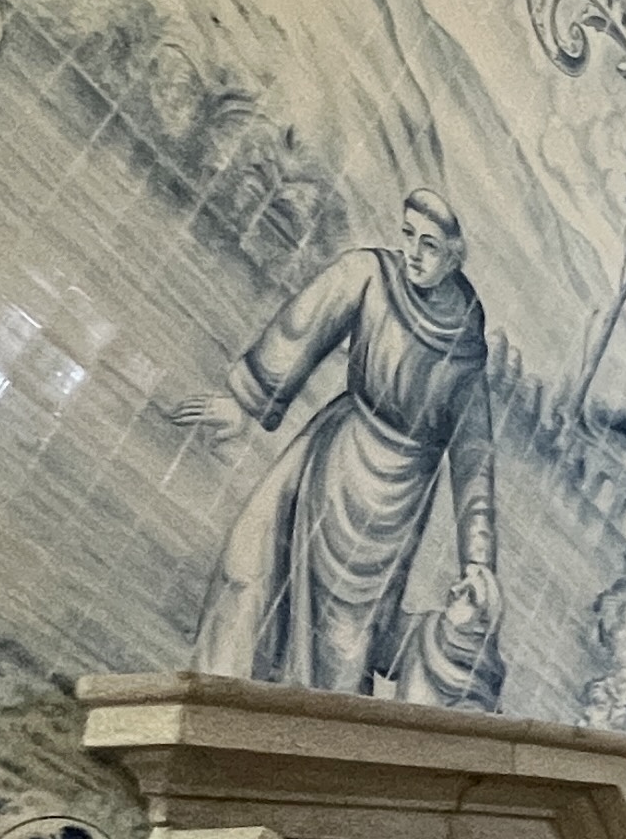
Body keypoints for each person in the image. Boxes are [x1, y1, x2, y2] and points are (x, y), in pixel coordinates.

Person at [167, 188, 501, 692]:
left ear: (454, 258)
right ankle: (216, 699)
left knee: (342, 642)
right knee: (248, 564)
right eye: (408, 234)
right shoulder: (369, 275)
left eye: (429, 245)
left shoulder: (467, 349)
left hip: (392, 505)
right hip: (329, 455)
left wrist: (477, 560)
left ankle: (303, 733)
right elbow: (306, 324)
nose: (413, 252)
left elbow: (474, 457)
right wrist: (245, 404)